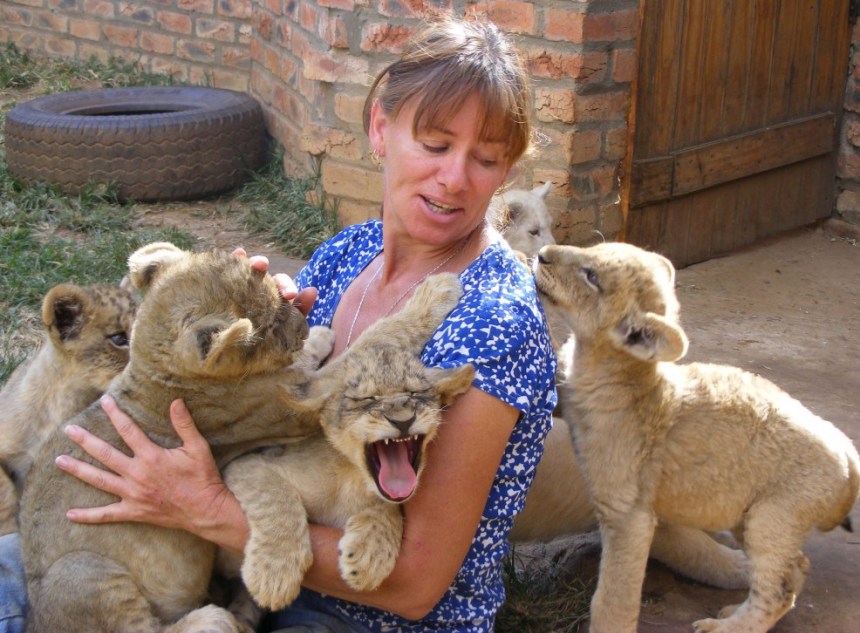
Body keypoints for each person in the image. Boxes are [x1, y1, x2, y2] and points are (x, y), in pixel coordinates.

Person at [0, 15, 556, 632]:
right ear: (380, 128)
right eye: (435, 145)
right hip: (235, 561)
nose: (454, 178)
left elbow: (416, 584)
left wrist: (205, 510)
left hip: (361, 615)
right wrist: (243, 334)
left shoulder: (493, 322)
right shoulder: (349, 253)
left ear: (507, 171)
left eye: (485, 158)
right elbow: (266, 410)